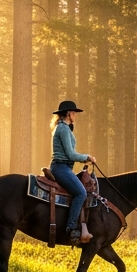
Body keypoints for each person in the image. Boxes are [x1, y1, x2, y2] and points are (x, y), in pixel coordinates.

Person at [50, 100, 96, 243]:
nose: (75, 115)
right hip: (61, 167)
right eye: (74, 112)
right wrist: (86, 157)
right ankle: (71, 229)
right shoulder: (63, 128)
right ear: (69, 113)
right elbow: (70, 154)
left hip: (63, 167)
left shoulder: (63, 128)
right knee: (81, 192)